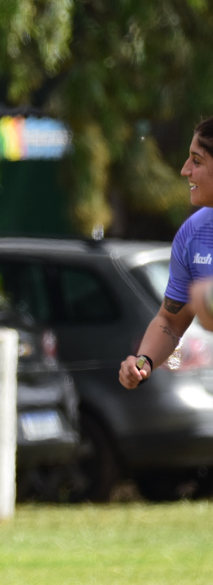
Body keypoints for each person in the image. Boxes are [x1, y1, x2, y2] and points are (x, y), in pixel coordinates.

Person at [120, 117, 213, 391]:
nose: (185, 170)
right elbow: (170, 321)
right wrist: (143, 362)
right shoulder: (192, 234)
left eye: (197, 161)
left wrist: (207, 299)